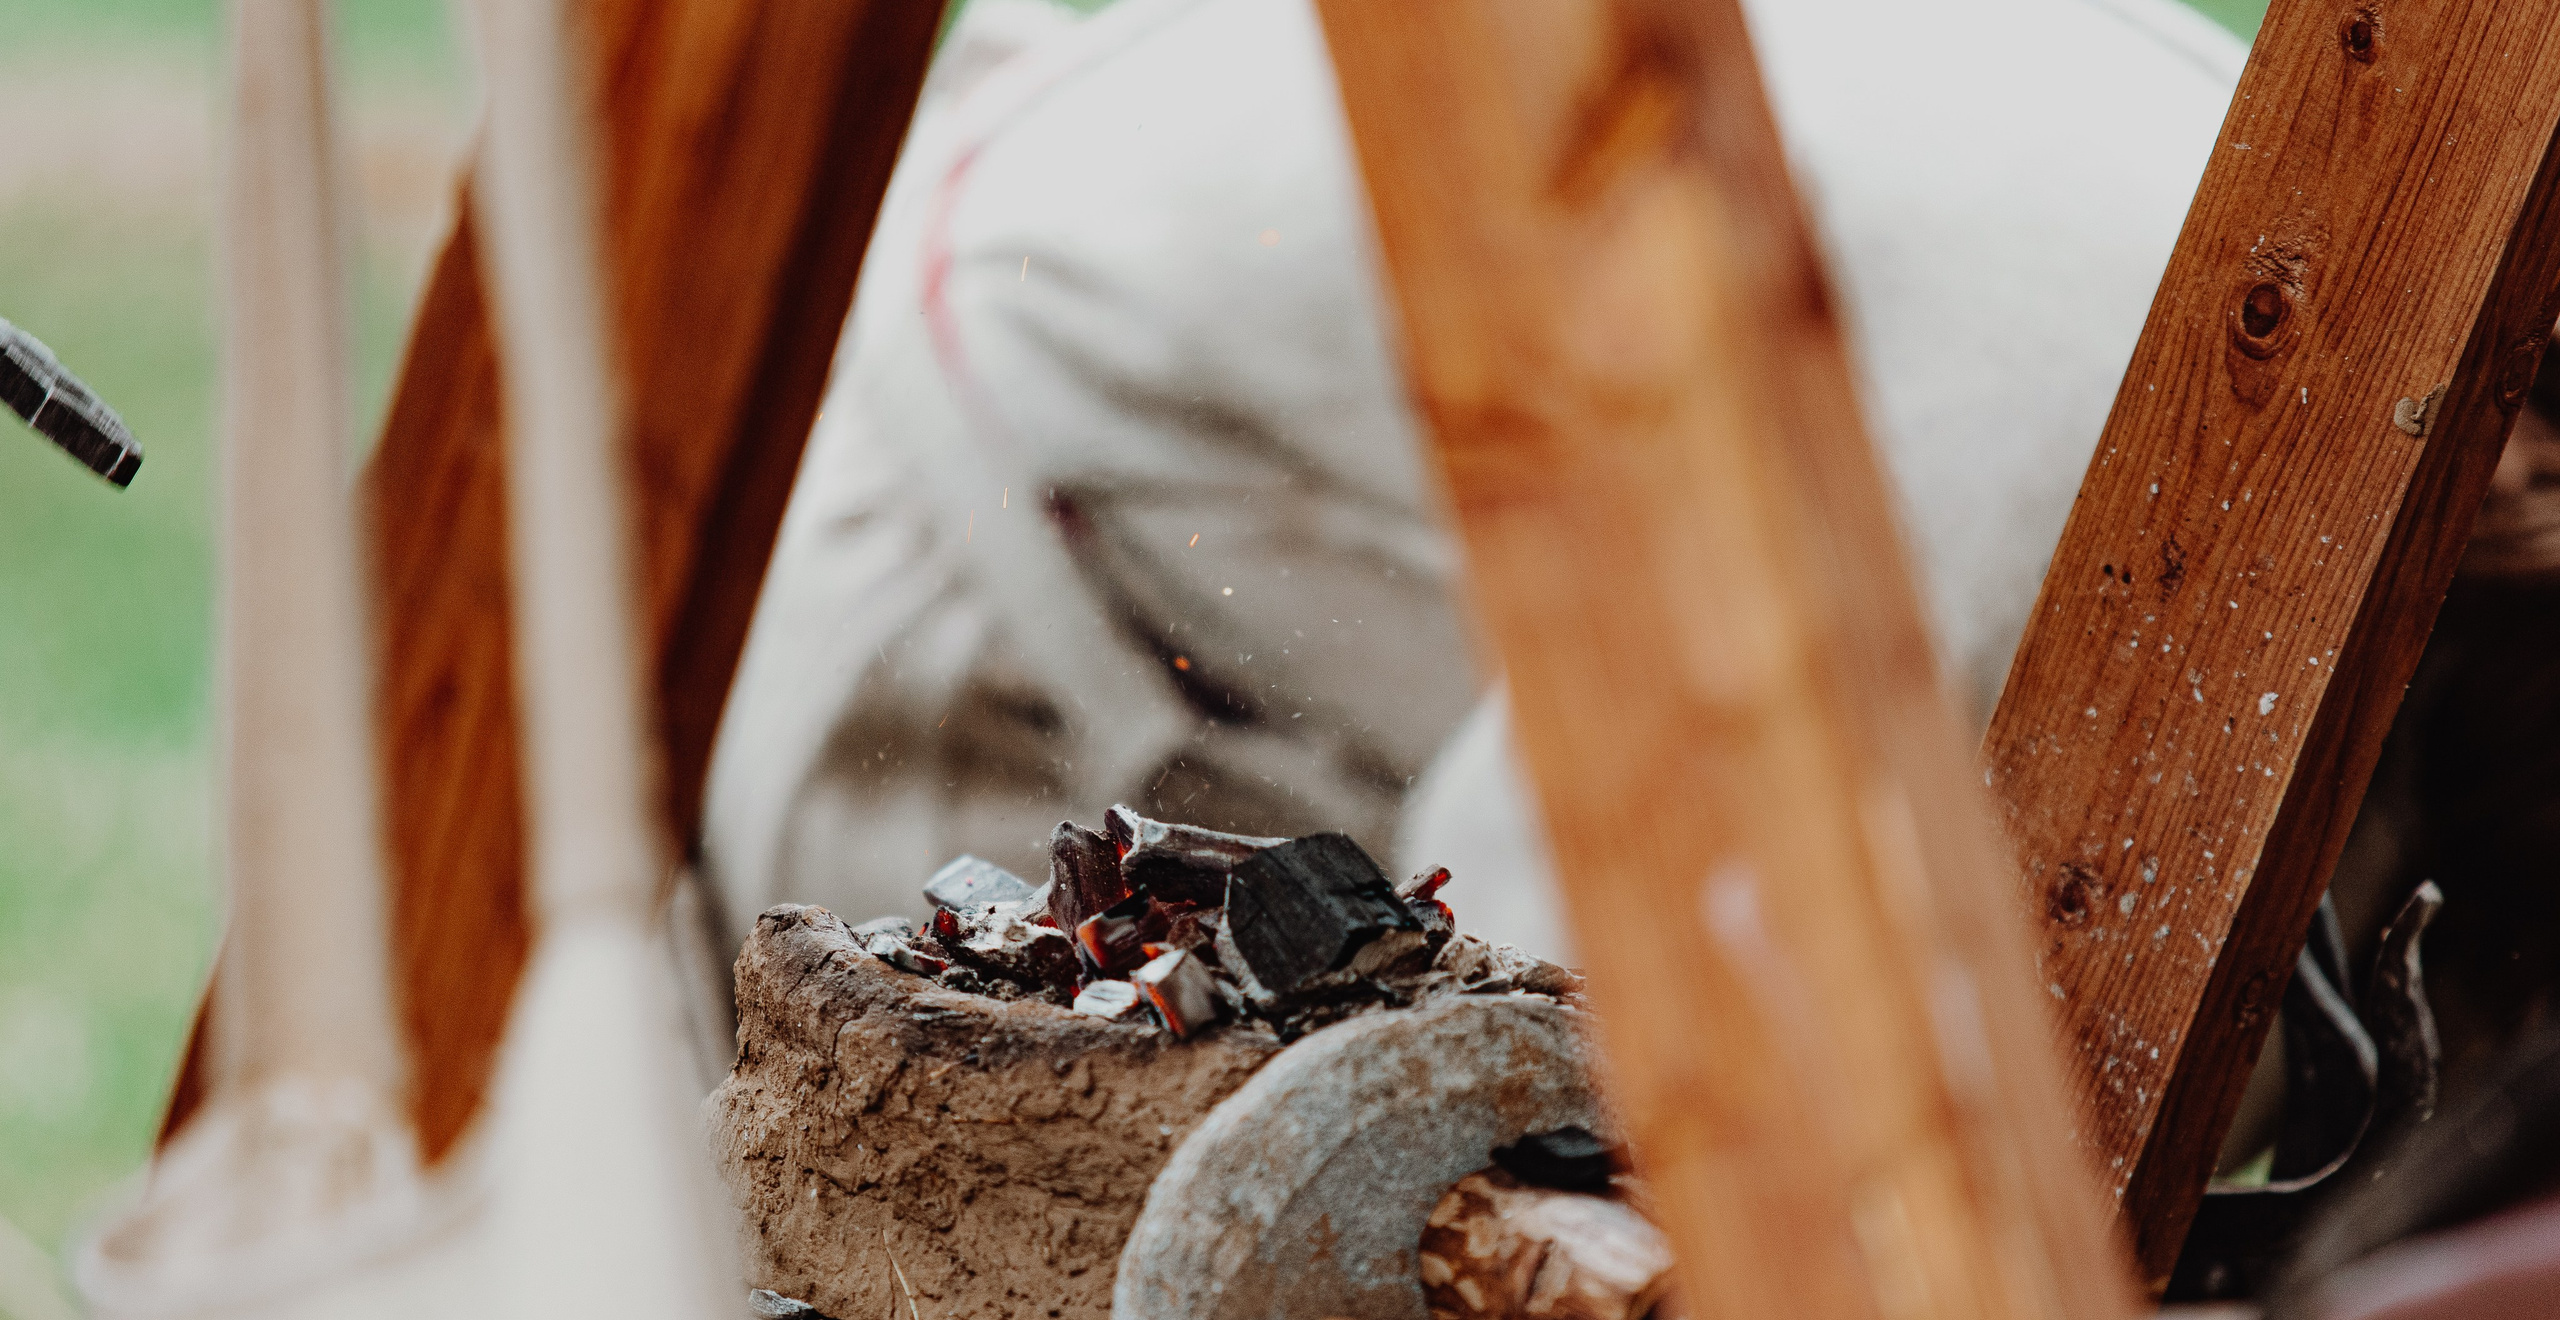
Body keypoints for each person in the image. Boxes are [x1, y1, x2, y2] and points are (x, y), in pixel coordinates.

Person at [697, 0, 2244, 967]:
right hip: (976, 555)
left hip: (1135, 377)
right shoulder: (2125, 412)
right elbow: (1590, 973)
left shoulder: (2239, 276)